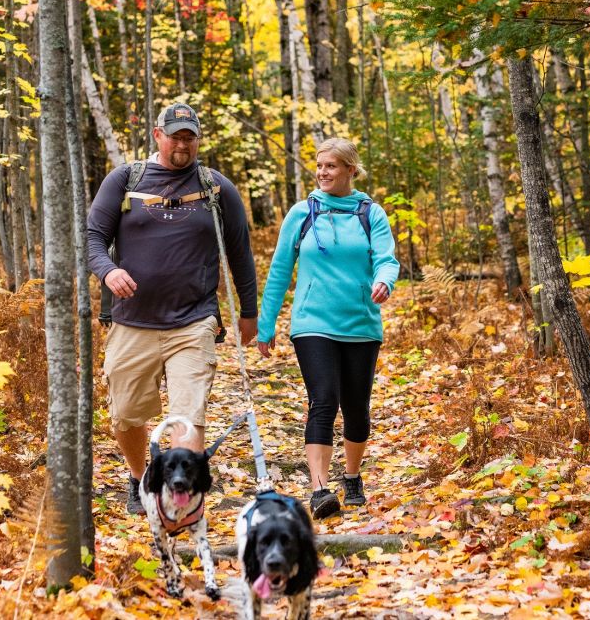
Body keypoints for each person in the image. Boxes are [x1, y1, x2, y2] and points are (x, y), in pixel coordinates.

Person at [88, 102, 258, 515]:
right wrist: (108, 272)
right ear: (157, 135)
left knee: (188, 418)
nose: (183, 144)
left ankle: (181, 507)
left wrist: (249, 314)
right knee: (125, 416)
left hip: (194, 321)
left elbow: (240, 253)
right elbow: (92, 237)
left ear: (198, 139)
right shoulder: (125, 180)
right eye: (176, 135)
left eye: (190, 136)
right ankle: (139, 478)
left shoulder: (216, 188)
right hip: (131, 322)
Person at [256, 138, 399, 519]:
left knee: (357, 408)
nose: (322, 172)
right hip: (312, 323)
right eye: (319, 165)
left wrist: (385, 281)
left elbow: (387, 260)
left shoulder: (371, 213)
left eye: (331, 166)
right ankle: (319, 489)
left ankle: (351, 476)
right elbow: (279, 272)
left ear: (351, 170)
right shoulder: (302, 213)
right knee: (324, 399)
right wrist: (266, 325)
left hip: (361, 323)